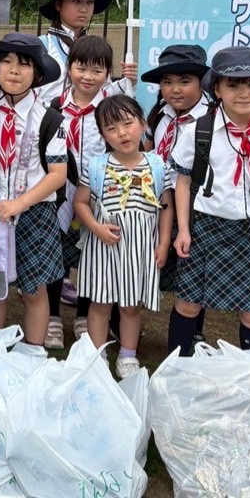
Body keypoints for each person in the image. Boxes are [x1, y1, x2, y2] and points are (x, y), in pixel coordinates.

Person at [168, 47, 250, 355]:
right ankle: (176, 368)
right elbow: (183, 182)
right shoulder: (199, 131)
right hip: (205, 228)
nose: (244, 93)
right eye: (233, 85)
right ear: (217, 89)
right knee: (188, 303)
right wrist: (183, 229)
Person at [0, 33, 68, 353]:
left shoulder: (51, 119)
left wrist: (20, 203)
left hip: (34, 213)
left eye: (24, 64)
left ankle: (34, 350)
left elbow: (58, 175)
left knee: (34, 289)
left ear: (37, 74)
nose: (14, 70)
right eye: (6, 62)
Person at [73, 95, 168, 378]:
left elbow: (166, 205)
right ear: (103, 134)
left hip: (140, 247)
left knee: (131, 305)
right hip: (102, 245)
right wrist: (96, 228)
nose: (122, 133)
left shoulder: (157, 165)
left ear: (142, 124)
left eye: (128, 124)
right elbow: (80, 202)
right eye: (112, 128)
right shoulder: (97, 165)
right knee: (100, 303)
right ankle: (97, 354)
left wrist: (163, 243)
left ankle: (128, 354)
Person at [48, 35, 130, 347]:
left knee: (90, 256)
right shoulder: (54, 107)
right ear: (69, 68)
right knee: (56, 253)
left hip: (99, 195)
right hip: (60, 193)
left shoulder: (113, 110)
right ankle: (53, 316)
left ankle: (84, 315)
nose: (88, 76)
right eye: (81, 68)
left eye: (98, 70)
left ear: (108, 73)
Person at [141, 44, 212, 345]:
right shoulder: (159, 113)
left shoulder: (211, 118)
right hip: (155, 197)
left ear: (201, 83)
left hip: (194, 201)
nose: (175, 90)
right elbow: (146, 146)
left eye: (184, 82)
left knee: (194, 264)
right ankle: (125, 319)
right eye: (167, 82)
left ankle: (192, 331)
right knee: (147, 258)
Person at [38, 0, 137, 101]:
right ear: (58, 5)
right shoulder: (42, 46)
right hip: (49, 118)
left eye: (89, 2)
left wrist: (129, 81)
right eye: (76, 1)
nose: (84, 9)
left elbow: (103, 94)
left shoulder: (96, 48)